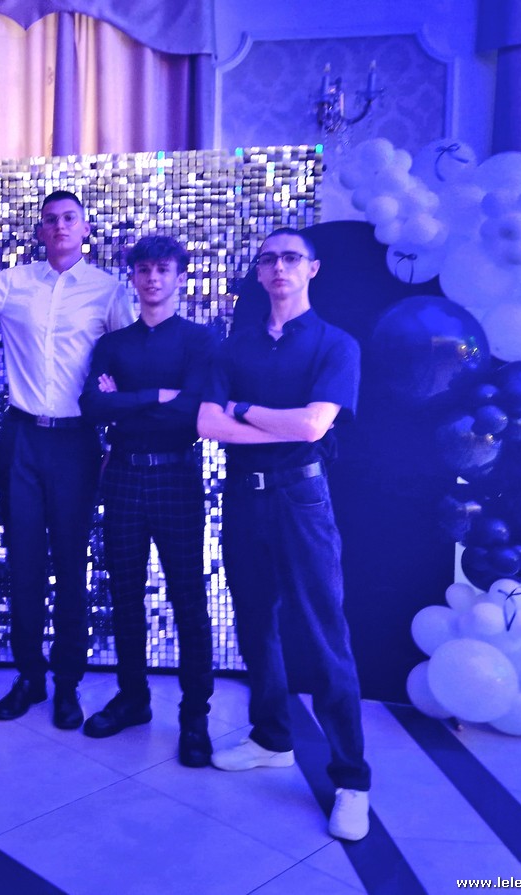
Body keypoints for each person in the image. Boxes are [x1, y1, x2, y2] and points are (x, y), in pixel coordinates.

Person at [197, 227, 372, 841]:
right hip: (243, 497)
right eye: (269, 259)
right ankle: (272, 738)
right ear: (258, 272)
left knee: (324, 635)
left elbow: (313, 427)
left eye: (291, 258)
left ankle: (352, 780)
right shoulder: (234, 347)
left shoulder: (335, 344)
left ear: (312, 269)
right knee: (255, 625)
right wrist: (268, 421)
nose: (279, 268)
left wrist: (244, 410)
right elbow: (207, 424)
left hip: (302, 497)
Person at [0, 190, 135, 729]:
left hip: (77, 441)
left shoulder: (109, 290)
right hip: (22, 436)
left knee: (70, 565)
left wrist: (118, 414)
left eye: (70, 218)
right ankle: (30, 677)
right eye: (51, 220)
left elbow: (129, 354)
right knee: (23, 563)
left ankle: (68, 685)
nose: (60, 226)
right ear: (41, 231)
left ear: (85, 228)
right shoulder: (16, 282)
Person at [79, 235, 217, 767]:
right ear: (133, 278)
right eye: (144, 270)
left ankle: (195, 715)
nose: (153, 278)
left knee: (188, 598)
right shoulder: (115, 344)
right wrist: (156, 396)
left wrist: (126, 401)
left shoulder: (199, 340)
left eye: (162, 269)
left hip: (177, 474)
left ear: (179, 276)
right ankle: (133, 698)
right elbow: (92, 406)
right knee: (124, 594)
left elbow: (194, 410)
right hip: (123, 475)